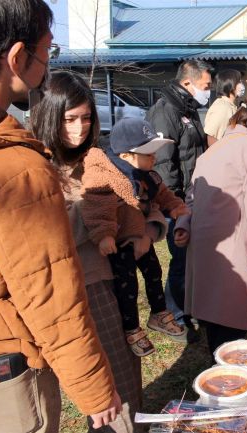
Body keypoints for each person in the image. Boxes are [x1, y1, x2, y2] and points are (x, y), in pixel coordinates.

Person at [0, 1, 121, 431]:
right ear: (17, 57)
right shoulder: (18, 169)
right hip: (4, 363)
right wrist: (94, 387)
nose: (47, 65)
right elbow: (48, 291)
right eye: (49, 51)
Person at [30, 70, 144, 433]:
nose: (79, 129)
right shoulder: (36, 167)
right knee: (101, 386)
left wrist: (148, 224)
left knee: (124, 374)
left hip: (110, 280)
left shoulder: (95, 159)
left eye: (86, 118)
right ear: (49, 117)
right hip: (70, 288)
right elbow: (45, 236)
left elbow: (129, 209)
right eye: (69, 119)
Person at [174, 97, 247, 355]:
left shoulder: (213, 149)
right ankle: (228, 376)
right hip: (232, 242)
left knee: (214, 314)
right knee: (232, 318)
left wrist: (183, 224)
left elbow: (192, 196)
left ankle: (217, 365)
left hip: (203, 243)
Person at [81, 118, 190, 356]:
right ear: (126, 156)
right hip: (119, 242)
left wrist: (175, 207)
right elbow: (97, 207)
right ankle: (131, 327)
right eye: (148, 153)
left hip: (140, 234)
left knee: (154, 272)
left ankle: (159, 313)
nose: (154, 158)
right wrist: (104, 235)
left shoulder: (146, 174)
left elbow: (162, 194)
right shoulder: (103, 175)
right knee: (127, 284)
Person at [146, 59, 213, 342]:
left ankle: (189, 307)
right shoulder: (165, 112)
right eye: (206, 86)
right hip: (177, 203)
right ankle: (174, 315)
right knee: (180, 259)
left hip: (193, 198)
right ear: (188, 83)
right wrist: (175, 206)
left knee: (192, 260)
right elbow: (164, 163)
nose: (208, 91)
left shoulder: (188, 110)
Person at [205, 69, 244, 145]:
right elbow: (211, 137)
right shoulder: (222, 107)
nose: (242, 85)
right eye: (239, 82)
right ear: (230, 84)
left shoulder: (229, 105)